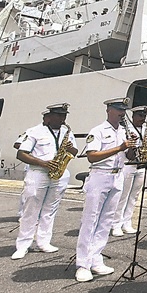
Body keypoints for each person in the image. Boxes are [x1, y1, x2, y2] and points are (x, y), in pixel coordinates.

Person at [75, 98, 136, 282]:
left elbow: (129, 156)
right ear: (109, 110)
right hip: (100, 175)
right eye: (118, 109)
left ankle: (96, 258)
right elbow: (92, 156)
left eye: (123, 110)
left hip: (117, 176)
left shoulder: (124, 131)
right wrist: (120, 147)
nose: (122, 113)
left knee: (106, 221)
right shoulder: (98, 131)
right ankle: (82, 264)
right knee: (90, 220)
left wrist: (132, 147)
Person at [13, 103, 76, 258]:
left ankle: (44, 242)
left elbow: (74, 151)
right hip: (38, 172)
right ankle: (23, 245)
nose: (63, 119)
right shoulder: (34, 131)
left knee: (50, 210)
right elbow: (21, 154)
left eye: (64, 116)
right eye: (59, 116)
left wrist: (69, 148)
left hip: (59, 174)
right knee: (31, 210)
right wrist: (43, 163)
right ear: (49, 116)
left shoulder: (67, 132)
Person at [111, 105, 147, 237]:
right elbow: (125, 151)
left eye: (144, 116)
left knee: (134, 197)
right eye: (140, 116)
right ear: (133, 116)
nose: (142, 119)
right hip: (128, 165)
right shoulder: (126, 130)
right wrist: (132, 143)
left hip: (141, 165)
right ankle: (115, 224)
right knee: (123, 196)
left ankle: (127, 222)